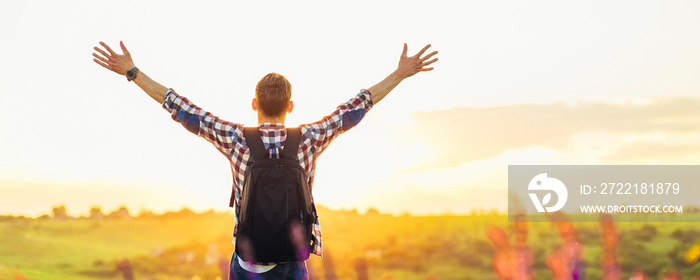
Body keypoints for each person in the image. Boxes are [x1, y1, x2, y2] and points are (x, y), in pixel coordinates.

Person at [92, 41, 438, 280]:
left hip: (249, 262)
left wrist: (133, 72)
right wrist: (399, 74)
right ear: (290, 106)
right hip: (292, 259)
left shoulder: (235, 138)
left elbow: (179, 106)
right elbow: (357, 106)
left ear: (254, 104)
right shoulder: (311, 137)